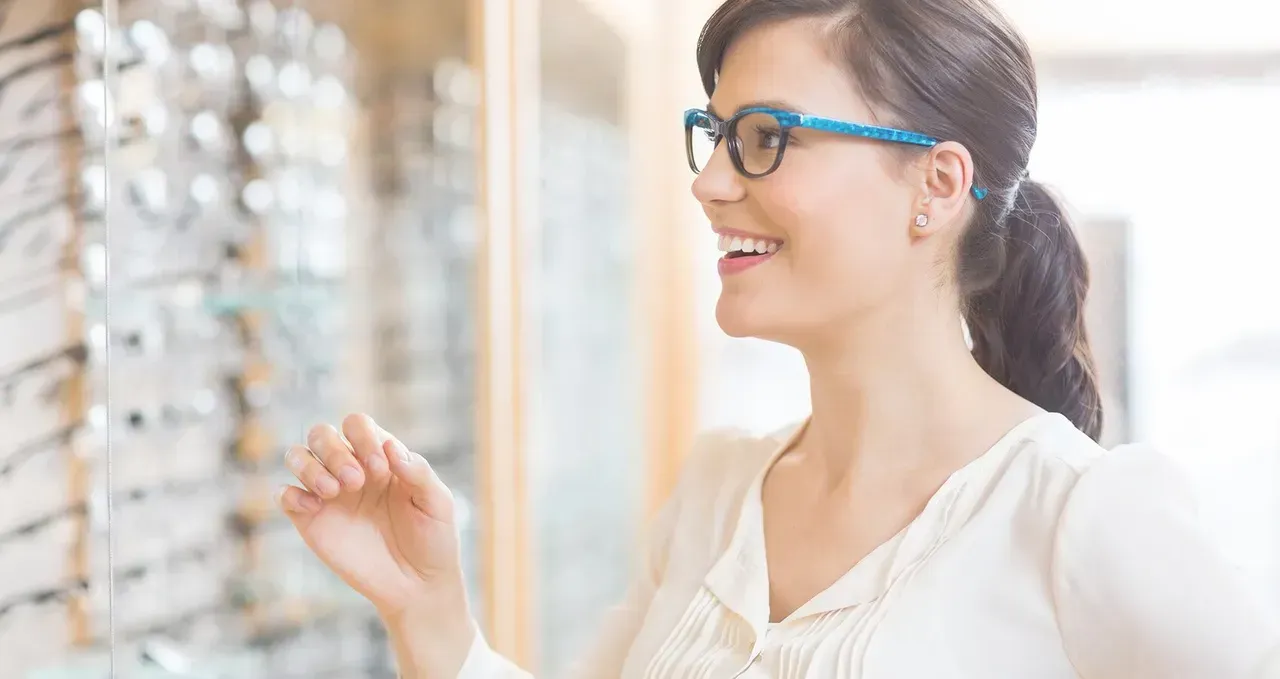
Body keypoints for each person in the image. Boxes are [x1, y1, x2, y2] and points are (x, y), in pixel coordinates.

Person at [277, 0, 1280, 676]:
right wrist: (432, 615)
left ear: (933, 184)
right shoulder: (715, 492)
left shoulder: (1083, 514)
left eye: (765, 137)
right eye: (713, 136)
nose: (709, 182)